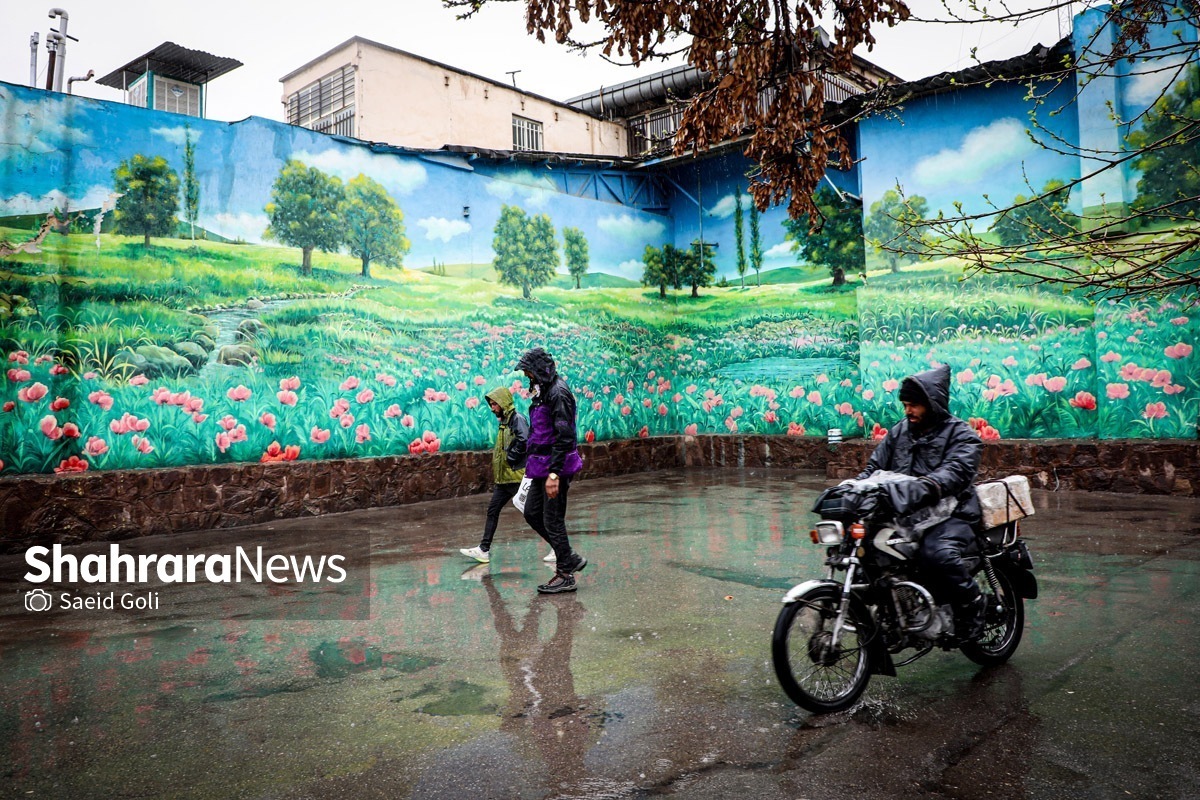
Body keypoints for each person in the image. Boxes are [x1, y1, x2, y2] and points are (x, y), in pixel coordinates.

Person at [855, 363, 986, 640]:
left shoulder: (961, 435)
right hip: (905, 512)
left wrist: (929, 485)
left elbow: (956, 472)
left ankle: (973, 605)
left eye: (914, 405)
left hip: (954, 512)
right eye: (905, 404)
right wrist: (856, 488)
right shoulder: (899, 432)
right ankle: (894, 611)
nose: (908, 411)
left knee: (935, 553)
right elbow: (873, 468)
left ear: (932, 402)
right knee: (865, 548)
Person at [515, 347, 588, 593]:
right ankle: (569, 557)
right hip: (541, 466)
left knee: (552, 520)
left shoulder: (559, 393)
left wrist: (555, 474)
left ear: (538, 370)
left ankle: (565, 574)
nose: (527, 377)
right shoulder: (545, 390)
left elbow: (564, 435)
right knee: (532, 512)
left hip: (555, 467)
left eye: (528, 372)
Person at [459, 386, 529, 563]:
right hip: (504, 479)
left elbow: (525, 439)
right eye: (490, 404)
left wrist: (512, 457)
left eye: (495, 404)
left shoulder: (516, 419)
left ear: (503, 403)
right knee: (492, 511)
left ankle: (557, 548)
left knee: (533, 514)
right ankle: (484, 549)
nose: (492, 408)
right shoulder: (504, 421)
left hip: (515, 477)